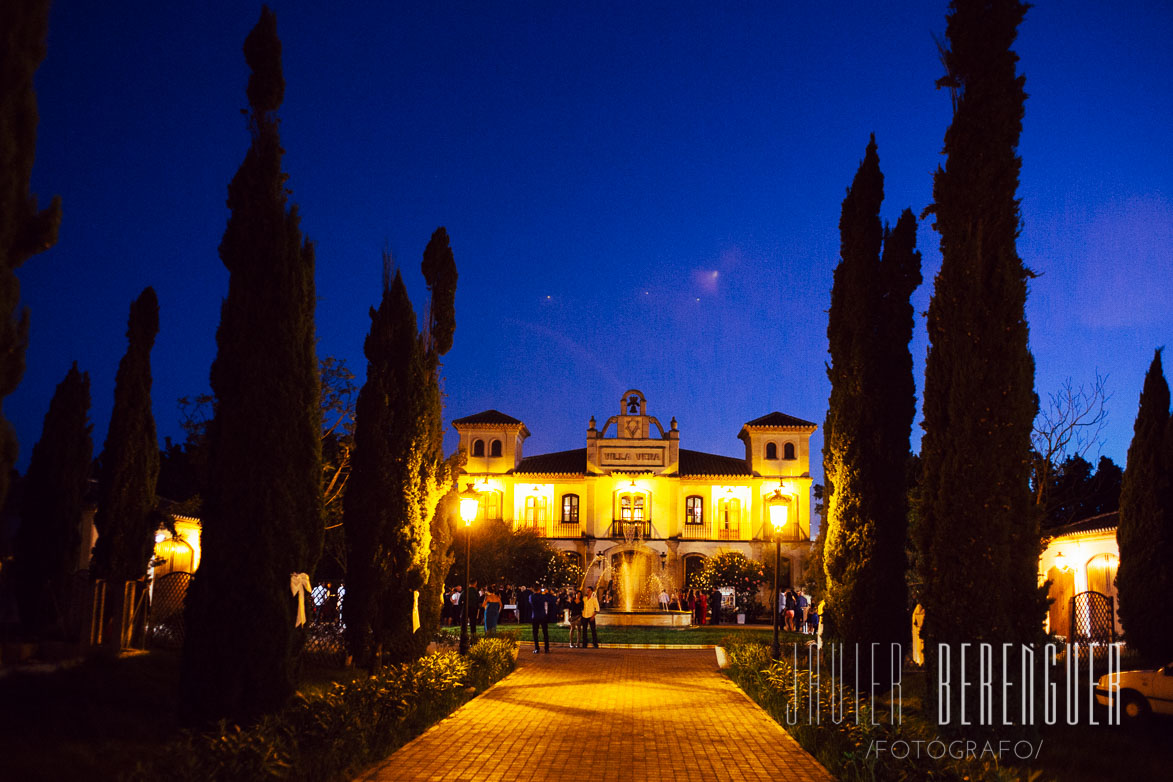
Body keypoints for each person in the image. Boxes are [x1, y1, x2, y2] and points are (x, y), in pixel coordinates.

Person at [530, 584, 553, 653]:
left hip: (535, 615)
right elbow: (550, 600)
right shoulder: (542, 596)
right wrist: (547, 593)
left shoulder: (531, 597)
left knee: (535, 633)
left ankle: (537, 648)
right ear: (539, 589)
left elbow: (530, 602)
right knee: (545, 632)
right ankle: (546, 648)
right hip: (543, 615)